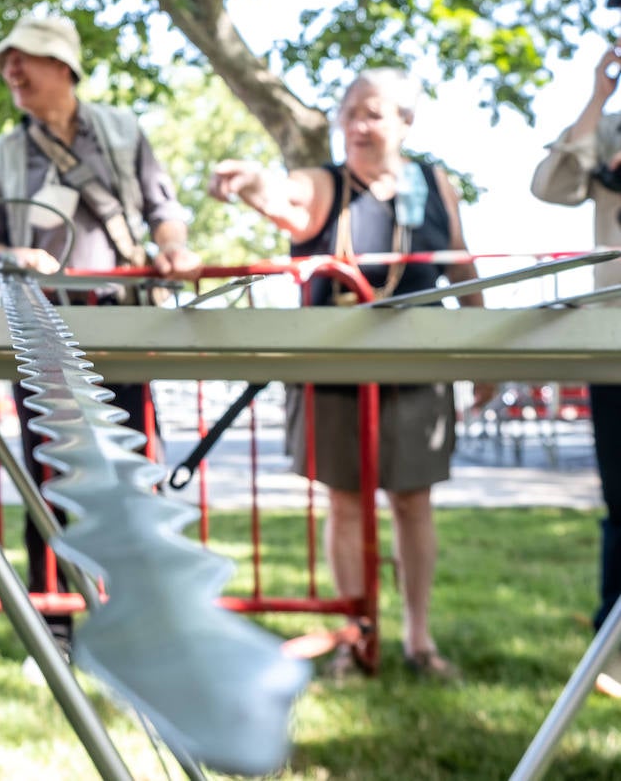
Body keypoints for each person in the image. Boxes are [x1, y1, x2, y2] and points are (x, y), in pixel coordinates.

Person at [207, 68, 491, 680]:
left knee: (414, 503)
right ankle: (354, 637)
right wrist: (253, 183)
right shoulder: (321, 183)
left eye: (375, 112)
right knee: (345, 503)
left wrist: (485, 354)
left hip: (418, 367)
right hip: (334, 373)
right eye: (350, 112)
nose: (359, 124)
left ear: (405, 123)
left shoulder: (436, 185)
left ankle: (417, 640)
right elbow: (284, 201)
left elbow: (461, 265)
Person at [0, 13, 201, 670]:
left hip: (123, 321)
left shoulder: (125, 131)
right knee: (48, 480)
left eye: (27, 58)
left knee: (133, 478)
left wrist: (175, 251)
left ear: (65, 65)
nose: (12, 71)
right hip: (41, 324)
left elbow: (165, 211)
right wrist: (16, 256)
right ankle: (56, 627)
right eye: (7, 61)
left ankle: (145, 623)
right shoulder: (1, 156)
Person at [528, 0, 621, 696]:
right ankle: (612, 651)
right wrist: (597, 97)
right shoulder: (610, 133)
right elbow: (551, 185)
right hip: (612, 337)